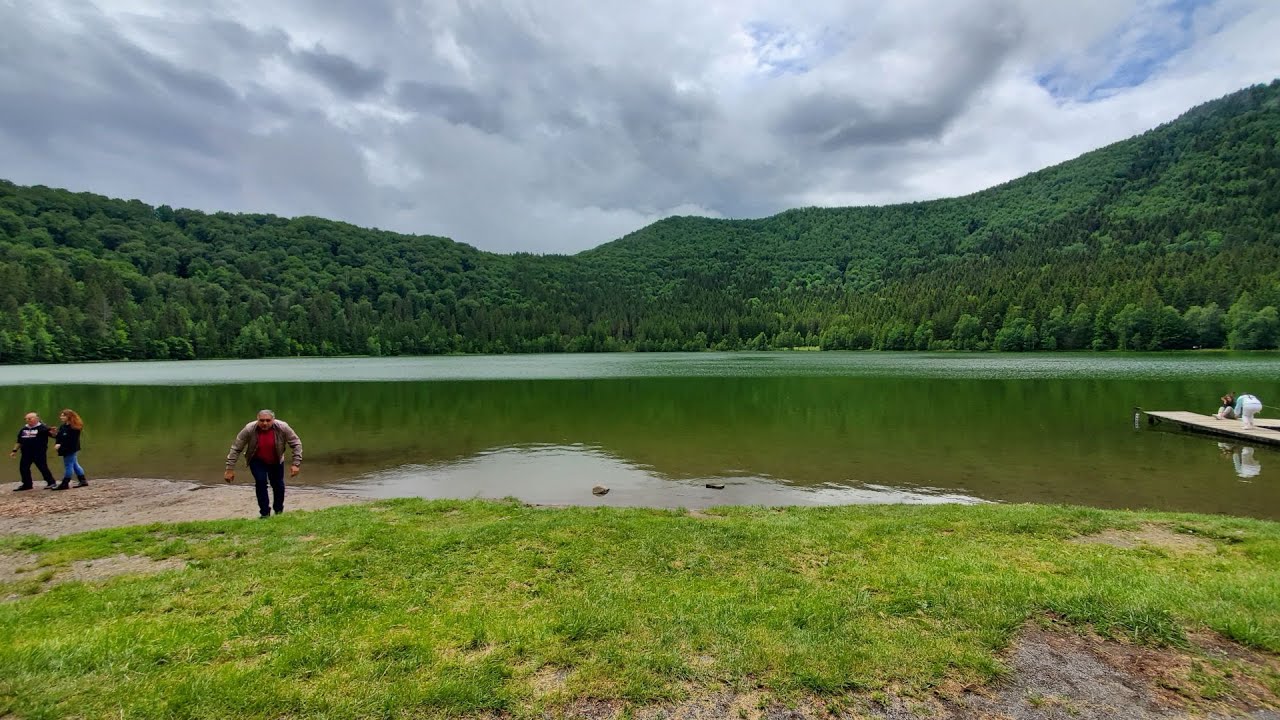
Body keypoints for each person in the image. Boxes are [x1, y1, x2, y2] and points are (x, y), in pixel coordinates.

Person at [224, 409, 303, 518]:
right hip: (257, 460)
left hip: (276, 460)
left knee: (278, 485)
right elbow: (236, 448)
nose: (265, 423)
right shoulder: (249, 429)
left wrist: (296, 464)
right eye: (262, 420)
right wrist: (229, 469)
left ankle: (278, 511)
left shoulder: (283, 427)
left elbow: (296, 444)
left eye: (268, 420)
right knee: (261, 482)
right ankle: (265, 513)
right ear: (257, 420)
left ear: (273, 420)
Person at [9, 412, 56, 491]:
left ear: (36, 419)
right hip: (26, 453)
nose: (27, 420)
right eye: (26, 419)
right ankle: (27, 484)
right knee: (23, 468)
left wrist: (54, 432)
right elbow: (19, 441)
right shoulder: (24, 429)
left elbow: (54, 436)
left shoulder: (43, 428)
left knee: (42, 467)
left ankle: (51, 482)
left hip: (39, 452)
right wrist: (14, 450)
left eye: (29, 418)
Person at [52, 408, 88, 490]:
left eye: (63, 416)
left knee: (68, 465)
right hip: (66, 448)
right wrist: (55, 435)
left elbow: (70, 440)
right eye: (61, 416)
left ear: (68, 416)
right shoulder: (63, 426)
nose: (61, 417)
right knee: (75, 464)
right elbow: (60, 436)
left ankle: (65, 483)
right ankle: (83, 480)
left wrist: (60, 445)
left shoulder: (74, 428)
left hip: (70, 449)